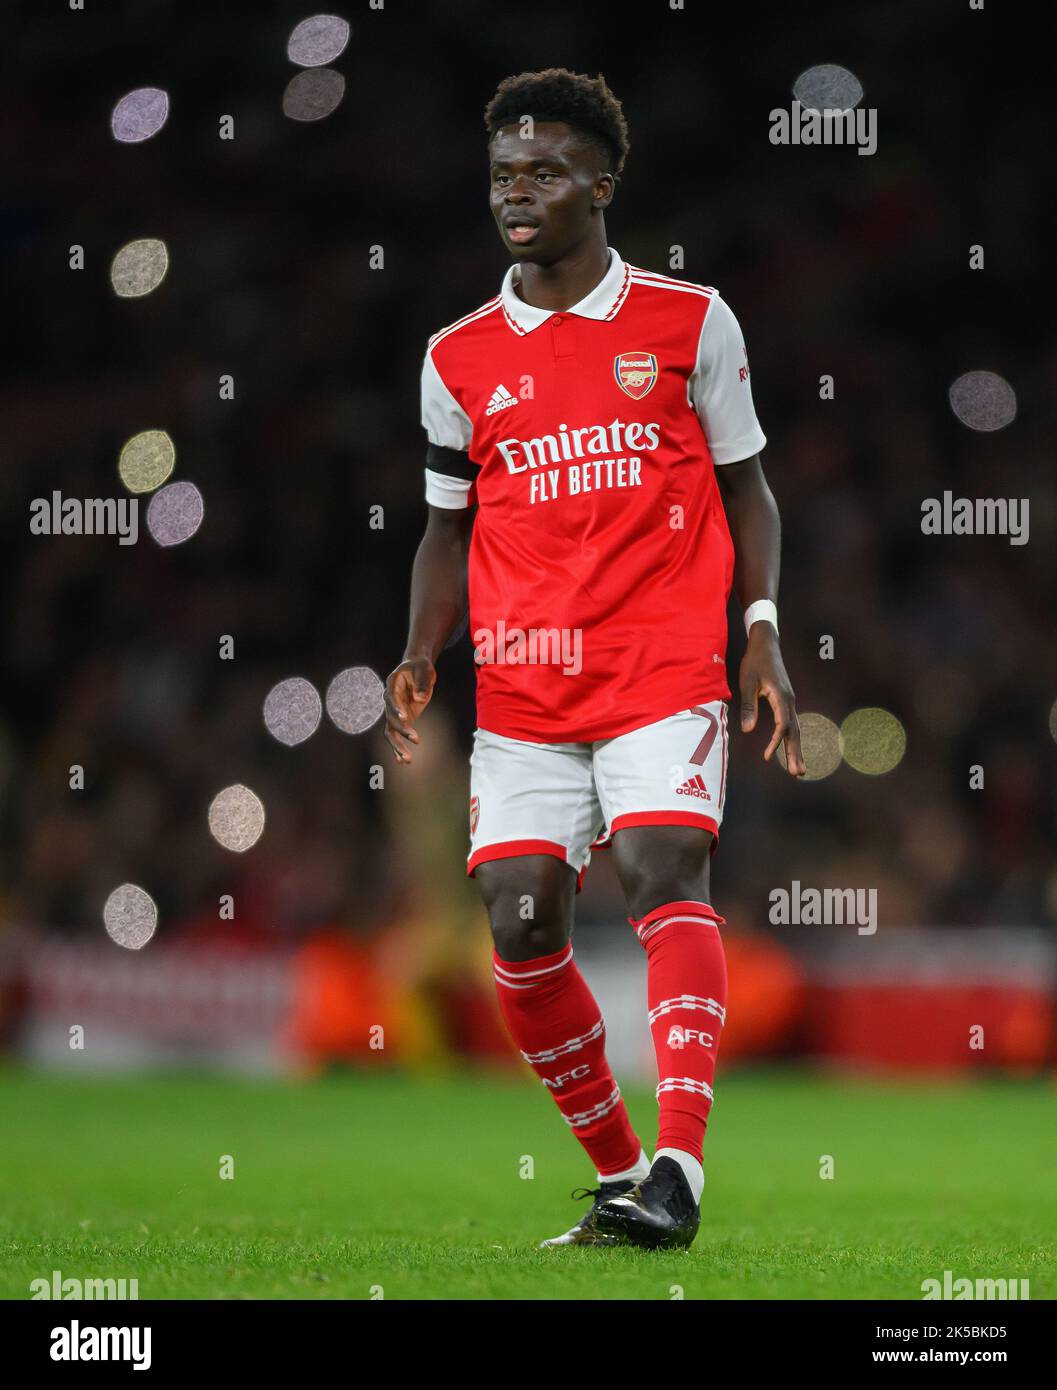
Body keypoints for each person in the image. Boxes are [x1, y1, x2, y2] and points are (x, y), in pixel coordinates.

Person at [385, 68, 804, 1249]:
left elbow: (750, 490)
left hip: (663, 662)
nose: (518, 193)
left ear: (601, 186)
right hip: (522, 684)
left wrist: (761, 629)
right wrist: (421, 650)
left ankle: (681, 1164)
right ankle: (626, 1178)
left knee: (666, 865)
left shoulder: (689, 320)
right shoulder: (457, 356)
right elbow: (443, 527)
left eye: (546, 173)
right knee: (518, 923)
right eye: (503, 176)